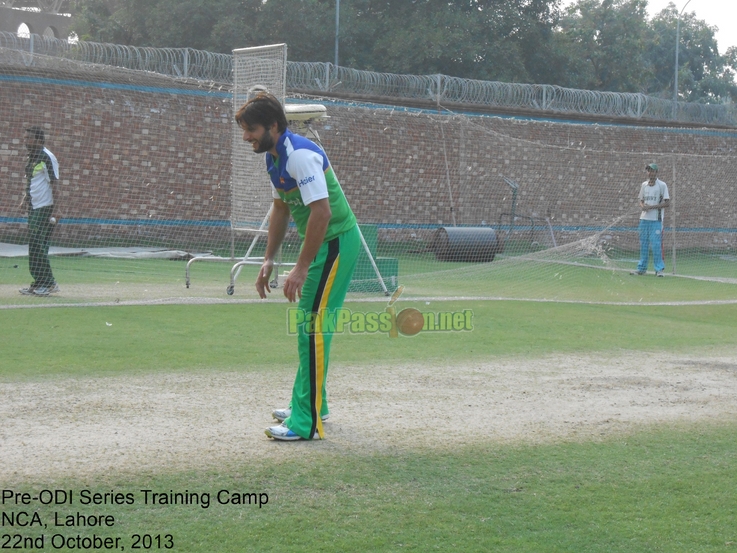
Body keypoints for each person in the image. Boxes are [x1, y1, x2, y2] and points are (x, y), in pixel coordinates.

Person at [235, 92, 360, 441]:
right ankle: (311, 404)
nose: (247, 137)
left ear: (273, 125)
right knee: (312, 325)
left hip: (335, 244)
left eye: (252, 130)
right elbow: (281, 209)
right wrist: (269, 259)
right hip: (326, 244)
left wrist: (301, 268)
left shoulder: (300, 156)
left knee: (311, 327)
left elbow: (322, 213)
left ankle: (305, 422)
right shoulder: (274, 157)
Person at [19, 126, 60, 296]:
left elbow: (55, 184)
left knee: (38, 243)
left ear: (39, 140)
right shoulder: (31, 157)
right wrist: (24, 199)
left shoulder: (47, 157)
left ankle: (50, 283)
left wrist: (57, 210)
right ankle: (38, 283)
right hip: (33, 207)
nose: (25, 141)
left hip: (45, 207)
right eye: (25, 137)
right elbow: (32, 181)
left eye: (29, 138)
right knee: (35, 245)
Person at [632, 163, 669, 277]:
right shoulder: (644, 185)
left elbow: (667, 203)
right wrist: (643, 206)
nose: (650, 173)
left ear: (656, 172)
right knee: (643, 244)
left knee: (656, 244)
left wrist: (651, 207)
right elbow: (641, 199)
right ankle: (641, 268)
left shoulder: (662, 185)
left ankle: (659, 270)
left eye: (652, 171)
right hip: (644, 219)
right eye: (648, 171)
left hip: (655, 220)